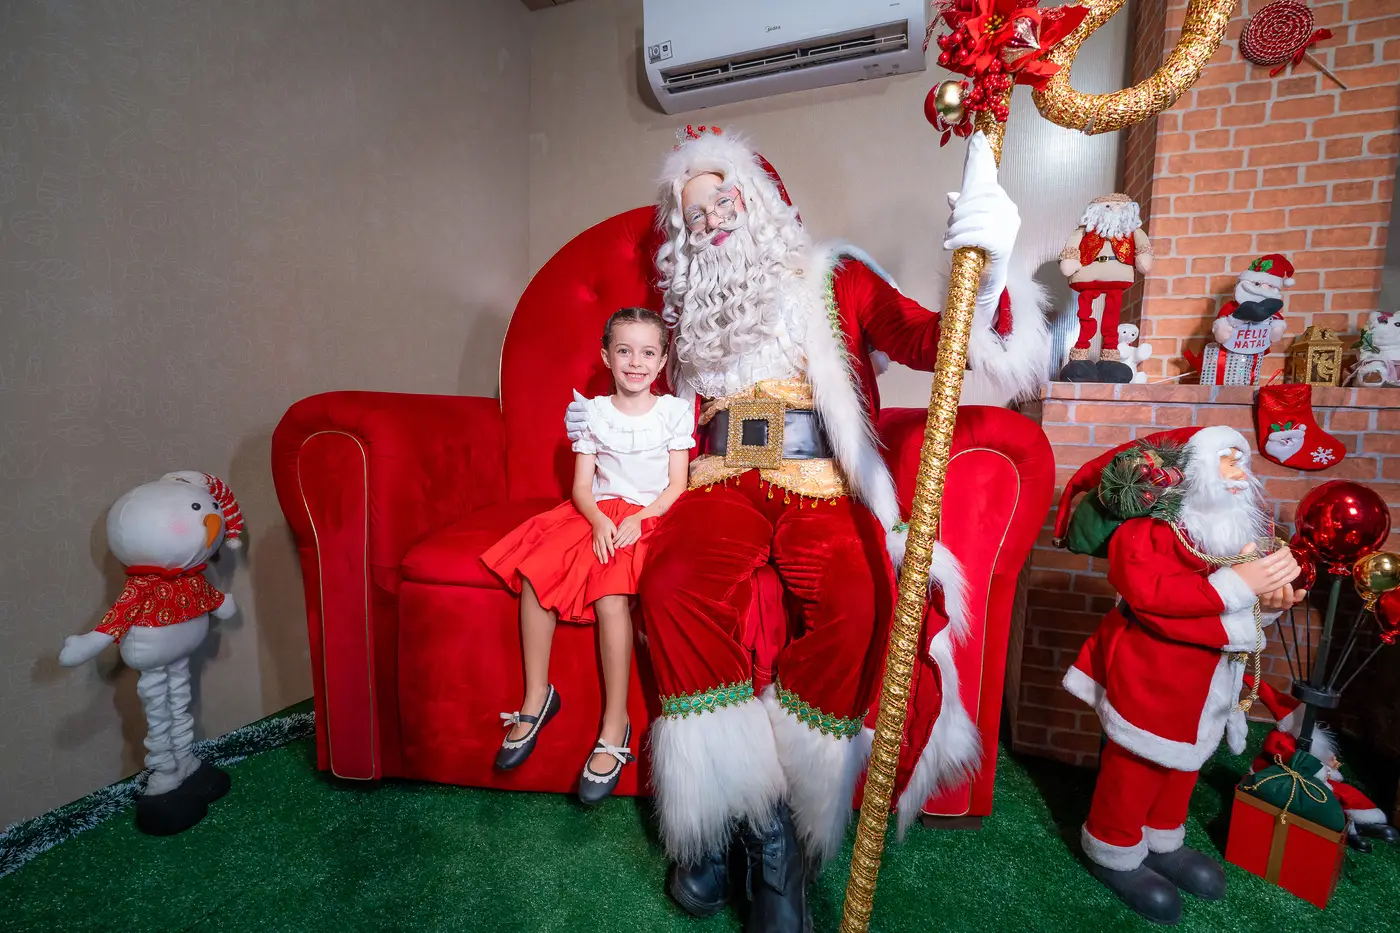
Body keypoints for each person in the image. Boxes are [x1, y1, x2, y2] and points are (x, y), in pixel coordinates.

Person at [568, 126, 1051, 931]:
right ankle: (742, 818)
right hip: (720, 479)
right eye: (694, 213)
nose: (712, 220)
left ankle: (786, 831)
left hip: (822, 476)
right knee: (675, 584)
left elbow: (928, 341)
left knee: (859, 600)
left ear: (758, 198)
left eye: (723, 199)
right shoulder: (690, 317)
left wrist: (992, 268)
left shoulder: (835, 275)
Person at [1052, 424, 1307, 925]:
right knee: (1139, 764)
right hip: (1154, 673)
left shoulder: (1236, 536)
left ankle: (1162, 838)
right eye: (1226, 462)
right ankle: (1113, 846)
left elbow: (1243, 606)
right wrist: (1239, 584)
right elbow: (1153, 599)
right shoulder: (1145, 534)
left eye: (1241, 462)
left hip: (1209, 678)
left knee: (1187, 763)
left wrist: (1273, 598)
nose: (1238, 475)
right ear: (1193, 471)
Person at [483, 308, 694, 804]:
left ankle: (614, 724)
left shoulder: (672, 413)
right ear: (606, 357)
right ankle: (537, 697)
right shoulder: (592, 413)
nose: (636, 362)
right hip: (597, 513)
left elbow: (676, 485)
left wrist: (639, 520)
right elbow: (581, 486)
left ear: (662, 360)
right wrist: (599, 520)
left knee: (610, 595)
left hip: (650, 517)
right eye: (624, 351)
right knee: (536, 574)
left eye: (647, 353)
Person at [1057, 193, 1154, 384]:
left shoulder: (1133, 231)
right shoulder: (1084, 230)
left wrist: (1143, 259)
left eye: (1119, 206)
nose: (1115, 209)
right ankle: (1080, 354)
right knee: (1085, 315)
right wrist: (1070, 261)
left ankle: (1110, 357)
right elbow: (1072, 247)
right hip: (1088, 275)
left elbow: (1143, 248)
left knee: (1112, 317)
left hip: (1117, 277)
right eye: (1108, 206)